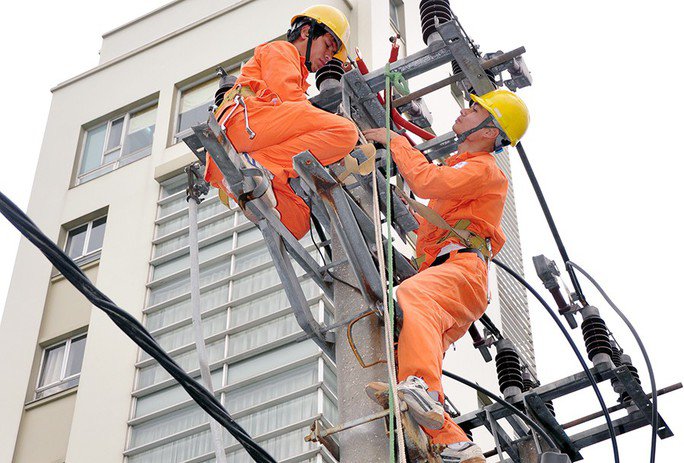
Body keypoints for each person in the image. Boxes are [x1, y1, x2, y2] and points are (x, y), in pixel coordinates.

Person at [363, 88, 530, 463]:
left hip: (462, 271)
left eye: (474, 109)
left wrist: (396, 141)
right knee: (404, 347)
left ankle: (420, 386)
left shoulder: (484, 169)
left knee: (413, 300)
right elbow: (429, 201)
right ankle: (455, 442)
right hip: (454, 276)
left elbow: (426, 183)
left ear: (490, 131)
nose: (464, 112)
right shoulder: (461, 165)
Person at [204, 5, 358, 239]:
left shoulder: (298, 76)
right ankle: (257, 165)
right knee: (345, 132)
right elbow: (287, 95)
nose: (329, 57)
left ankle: (251, 179)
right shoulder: (281, 50)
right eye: (328, 44)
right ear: (307, 32)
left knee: (297, 222)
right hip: (245, 123)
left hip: (252, 139)